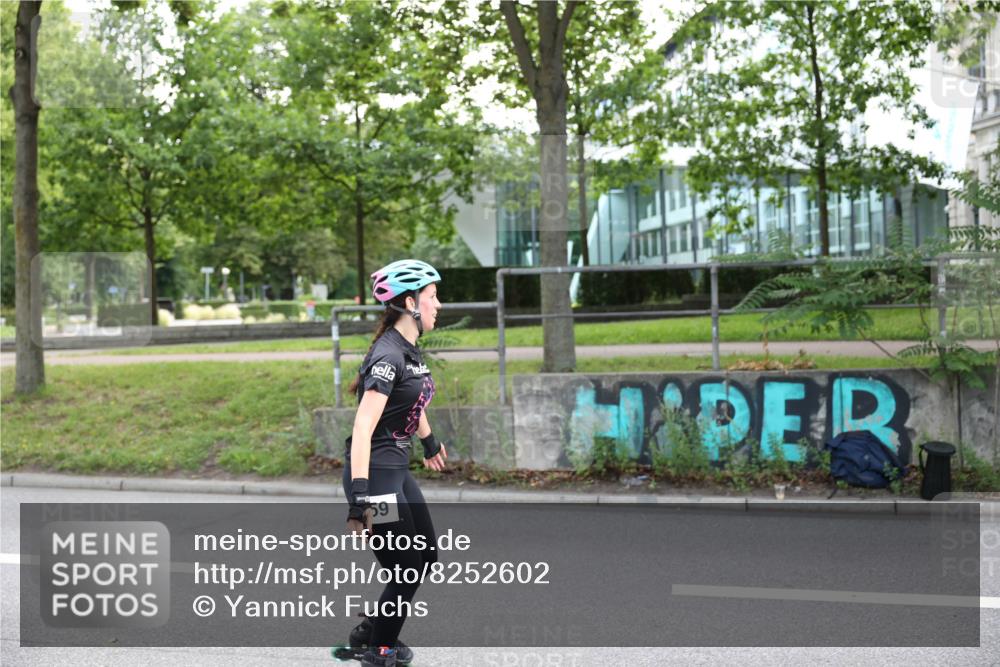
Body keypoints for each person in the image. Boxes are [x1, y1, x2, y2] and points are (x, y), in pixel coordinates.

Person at [343, 259, 448, 667]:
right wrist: (360, 499)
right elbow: (364, 428)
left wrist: (429, 440)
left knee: (426, 557)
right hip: (376, 481)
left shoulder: (407, 348)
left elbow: (412, 398)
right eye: (432, 296)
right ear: (410, 302)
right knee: (406, 568)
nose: (438, 305)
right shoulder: (387, 357)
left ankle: (371, 631)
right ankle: (378, 647)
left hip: (397, 473)